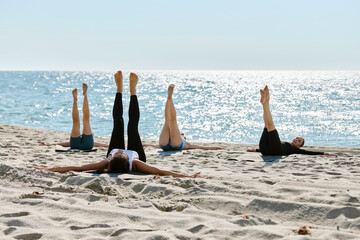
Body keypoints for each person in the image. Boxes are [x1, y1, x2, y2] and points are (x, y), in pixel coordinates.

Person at [36, 71, 201, 178]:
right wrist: (189, 176)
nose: (122, 149)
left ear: (112, 157)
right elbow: (160, 171)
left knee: (118, 123)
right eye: (122, 152)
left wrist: (49, 169)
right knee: (132, 127)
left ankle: (119, 89)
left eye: (118, 152)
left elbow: (78, 167)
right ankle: (133, 91)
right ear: (128, 160)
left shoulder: (108, 160)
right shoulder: (136, 163)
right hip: (138, 153)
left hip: (116, 162)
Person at [246, 86, 337, 156]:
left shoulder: (295, 150)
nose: (296, 139)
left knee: (270, 125)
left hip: (276, 150)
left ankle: (265, 103)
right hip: (264, 150)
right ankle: (266, 102)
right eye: (297, 138)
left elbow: (308, 152)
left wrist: (324, 153)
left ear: (299, 146)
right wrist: (254, 150)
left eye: (299, 141)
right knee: (266, 125)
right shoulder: (289, 145)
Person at [39, 83, 108, 149]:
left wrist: (49, 145)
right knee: (85, 120)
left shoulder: (74, 142)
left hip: (74, 145)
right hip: (88, 145)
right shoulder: (91, 142)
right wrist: (107, 145)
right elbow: (97, 144)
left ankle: (75, 101)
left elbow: (65, 144)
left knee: (76, 122)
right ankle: (85, 96)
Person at [157, 84, 223, 151]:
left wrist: (145, 145)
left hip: (164, 144)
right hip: (170, 145)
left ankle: (169, 99)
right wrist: (216, 148)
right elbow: (202, 147)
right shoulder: (186, 144)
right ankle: (169, 99)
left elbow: (152, 145)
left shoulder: (185, 142)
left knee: (168, 120)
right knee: (171, 121)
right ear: (183, 137)